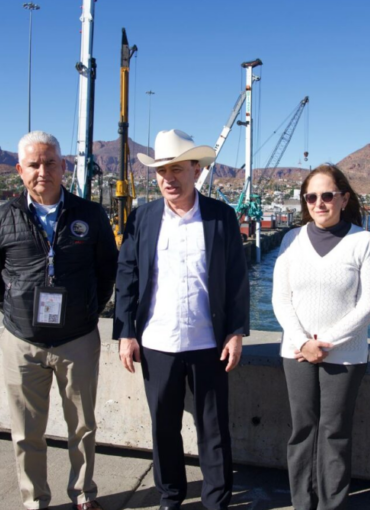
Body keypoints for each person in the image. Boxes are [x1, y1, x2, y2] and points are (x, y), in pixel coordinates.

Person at [0, 131, 117, 510]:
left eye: (50, 163)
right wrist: (17, 313)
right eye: (34, 165)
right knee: (26, 432)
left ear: (63, 166)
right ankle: (35, 499)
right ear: (20, 170)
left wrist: (87, 310)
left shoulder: (90, 214)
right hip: (22, 343)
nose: (43, 171)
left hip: (78, 341)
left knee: (83, 427)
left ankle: (84, 495)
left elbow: (107, 271)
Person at [113, 129, 250, 510]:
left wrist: (236, 333)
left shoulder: (221, 217)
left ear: (195, 170)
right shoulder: (142, 218)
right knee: (164, 429)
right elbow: (128, 278)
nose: (168, 178)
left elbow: (237, 281)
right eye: (161, 171)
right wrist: (126, 333)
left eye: (176, 169)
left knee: (214, 430)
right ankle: (170, 497)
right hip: (157, 344)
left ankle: (216, 501)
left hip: (209, 344)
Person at [272, 164, 370, 510]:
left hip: (345, 355)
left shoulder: (363, 241)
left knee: (335, 433)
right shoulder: (291, 240)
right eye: (311, 197)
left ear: (343, 198)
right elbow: (280, 298)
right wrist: (303, 341)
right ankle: (302, 503)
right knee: (302, 431)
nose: (319, 203)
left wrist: (326, 341)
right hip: (297, 352)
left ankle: (331, 505)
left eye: (327, 195)